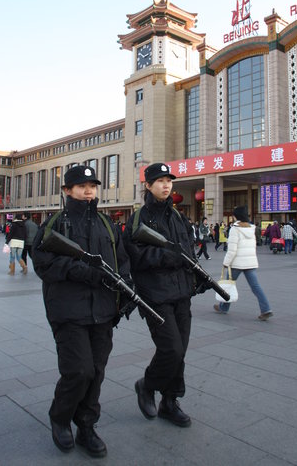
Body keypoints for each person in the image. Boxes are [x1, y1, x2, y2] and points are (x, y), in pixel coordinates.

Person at [32, 165, 131, 457]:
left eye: (92, 186)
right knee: (78, 371)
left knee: (96, 372)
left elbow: (122, 260)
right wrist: (82, 271)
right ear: (67, 191)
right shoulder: (54, 225)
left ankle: (86, 425)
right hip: (68, 312)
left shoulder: (107, 224)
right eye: (81, 186)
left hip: (102, 310)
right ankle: (60, 418)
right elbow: (43, 263)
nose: (88, 191)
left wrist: (125, 285)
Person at [123, 163, 195, 428]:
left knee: (180, 351)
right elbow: (136, 255)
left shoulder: (177, 217)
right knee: (171, 349)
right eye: (160, 181)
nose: (166, 185)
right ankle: (147, 384)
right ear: (148, 185)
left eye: (169, 181)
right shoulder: (139, 218)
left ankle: (170, 401)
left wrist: (194, 274)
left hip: (181, 293)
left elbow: (188, 248)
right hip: (155, 295)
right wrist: (169, 256)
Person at [213, 206, 273, 320]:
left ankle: (223, 307)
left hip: (237, 263)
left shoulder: (235, 229)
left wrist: (226, 263)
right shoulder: (252, 228)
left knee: (228, 285)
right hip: (250, 263)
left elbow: (232, 250)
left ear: (237, 216)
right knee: (256, 287)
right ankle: (266, 309)